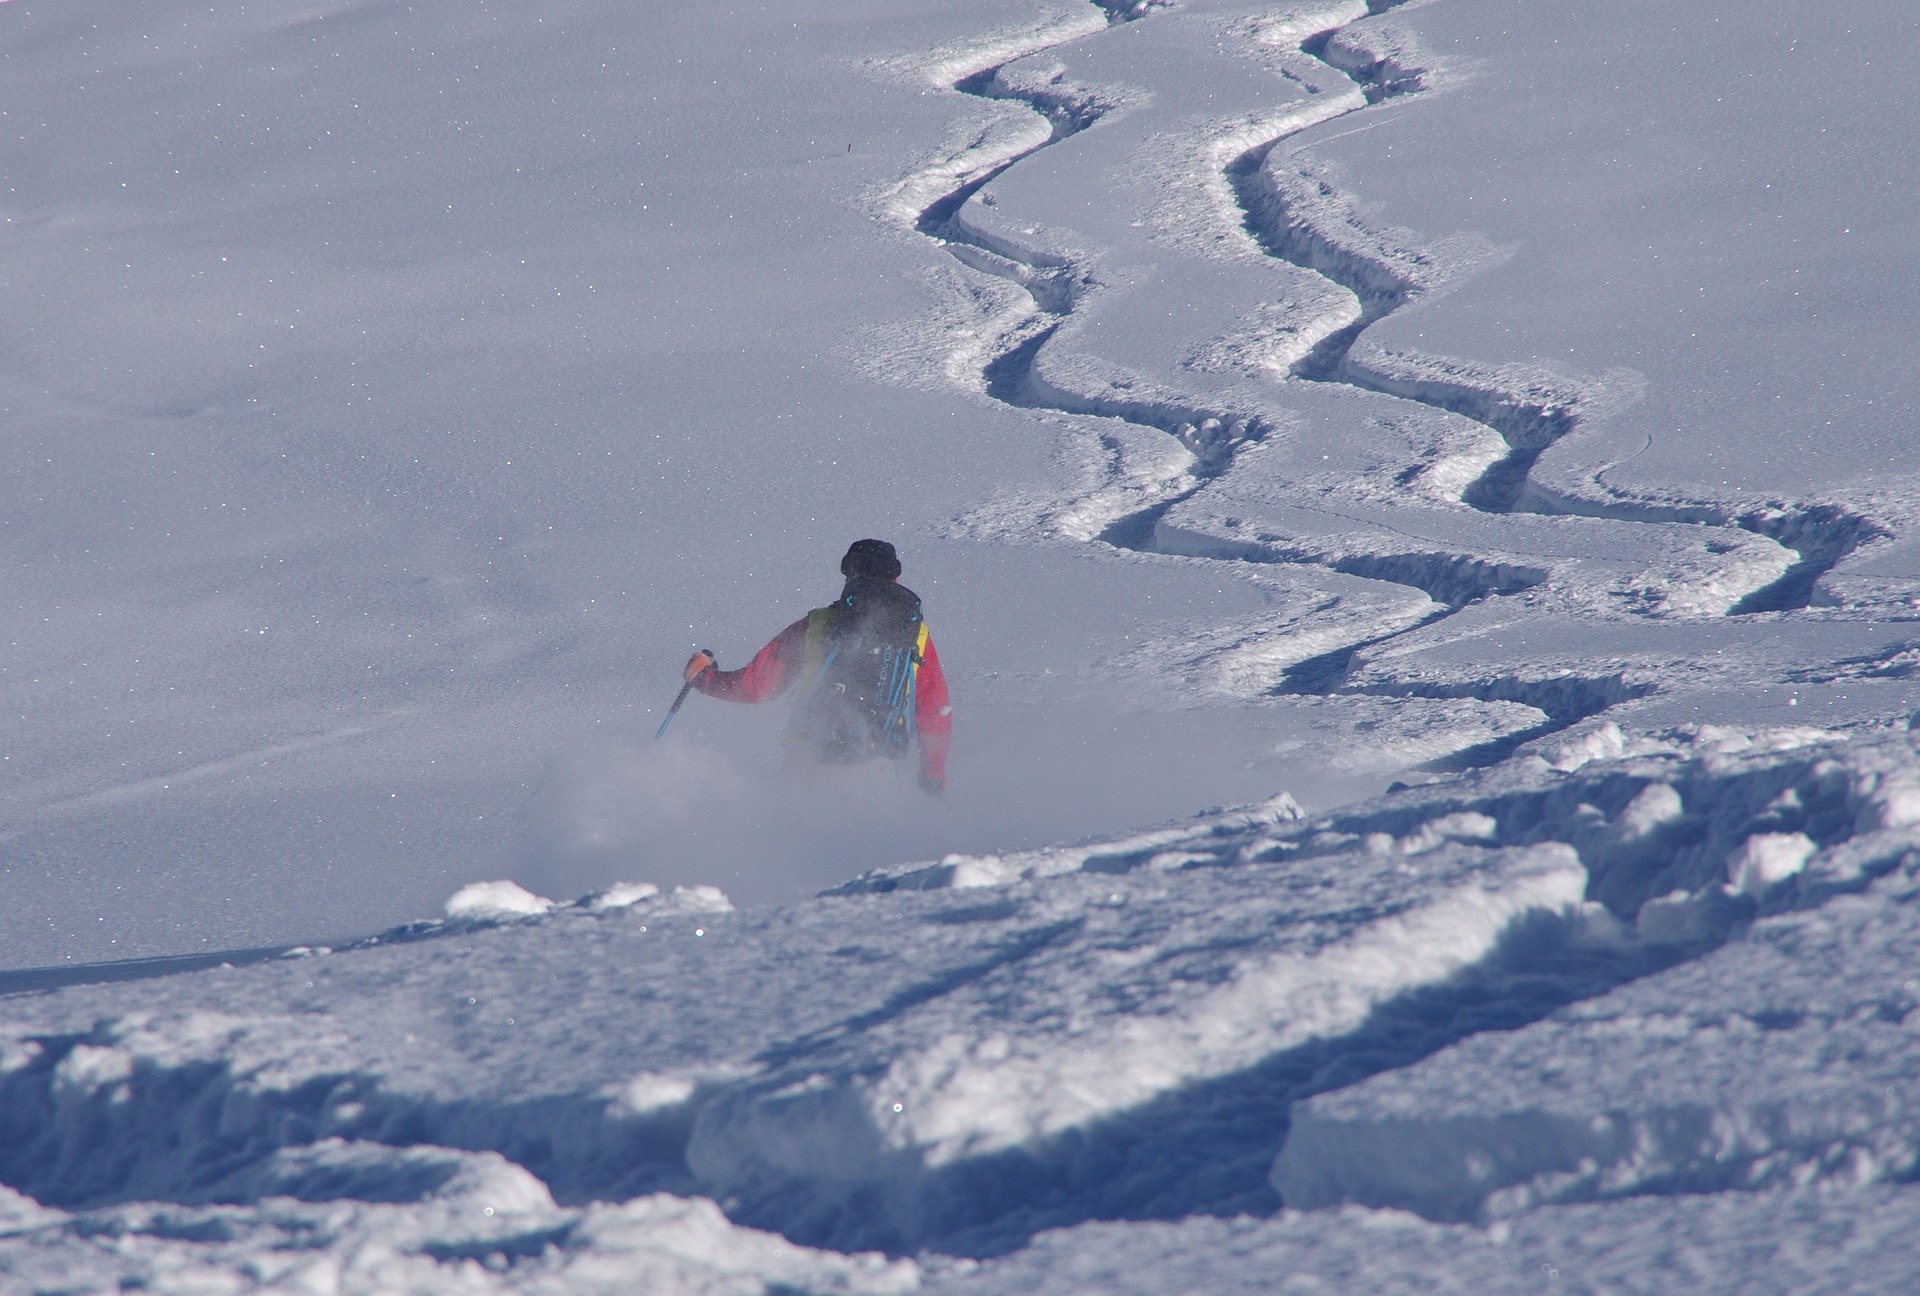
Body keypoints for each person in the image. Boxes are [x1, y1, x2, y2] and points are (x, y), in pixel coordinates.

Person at [683, 540, 951, 794]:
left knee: (799, 840)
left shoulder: (818, 625)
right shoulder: (917, 636)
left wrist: (704, 677)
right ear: (896, 579)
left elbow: (756, 687)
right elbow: (935, 712)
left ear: (850, 576)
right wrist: (933, 774)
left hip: (808, 761)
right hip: (876, 767)